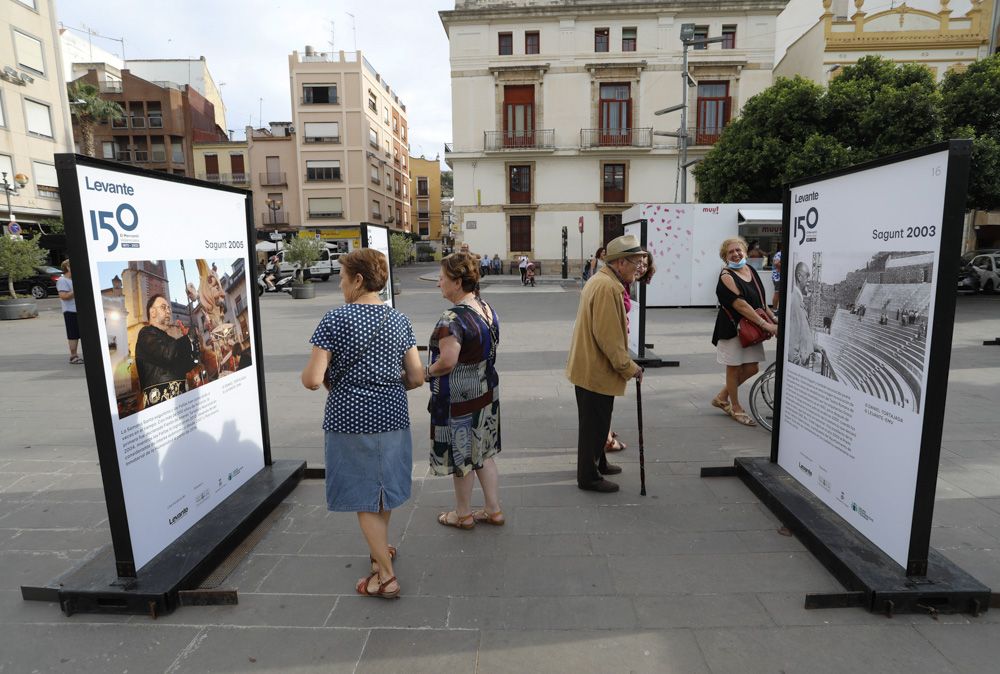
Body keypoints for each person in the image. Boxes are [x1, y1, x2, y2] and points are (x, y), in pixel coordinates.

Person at [301, 248, 424, 600]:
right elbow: (416, 377)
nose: (339, 284)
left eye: (342, 277)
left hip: (349, 419)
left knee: (363, 495)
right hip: (393, 415)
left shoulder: (335, 320)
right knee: (382, 488)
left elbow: (312, 379)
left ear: (357, 280)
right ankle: (378, 552)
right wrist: (385, 382)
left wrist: (322, 378)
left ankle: (385, 577)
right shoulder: (398, 320)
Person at [426, 252, 503, 529]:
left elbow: (447, 361)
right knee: (484, 452)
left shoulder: (452, 318)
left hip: (460, 399)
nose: (439, 284)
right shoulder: (485, 307)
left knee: (463, 458)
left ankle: (463, 514)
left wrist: (425, 373)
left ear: (457, 282)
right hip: (486, 392)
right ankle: (493, 510)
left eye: (442, 278)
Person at [566, 234, 646, 493]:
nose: (639, 268)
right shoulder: (607, 287)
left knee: (599, 422)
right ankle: (588, 476)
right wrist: (630, 367)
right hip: (595, 369)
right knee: (593, 426)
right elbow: (609, 338)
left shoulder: (605, 281)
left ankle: (599, 463)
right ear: (620, 263)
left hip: (591, 366)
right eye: (636, 262)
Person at [710, 237, 778, 427]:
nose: (736, 254)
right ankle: (736, 408)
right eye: (730, 252)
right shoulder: (727, 276)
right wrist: (766, 326)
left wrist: (773, 318)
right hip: (733, 329)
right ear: (725, 257)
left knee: (752, 368)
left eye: (738, 250)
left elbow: (761, 302)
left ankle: (722, 397)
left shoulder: (751, 270)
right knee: (733, 368)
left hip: (751, 329)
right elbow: (741, 305)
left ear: (745, 252)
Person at [135, 294, 201, 409]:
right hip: (160, 406)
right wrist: (188, 339)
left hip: (181, 403)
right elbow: (166, 355)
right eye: (163, 307)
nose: (168, 311)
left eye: (169, 308)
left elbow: (187, 365)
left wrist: (194, 350)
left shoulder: (171, 340)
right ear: (153, 312)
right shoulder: (145, 333)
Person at [788, 262, 817, 368]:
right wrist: (798, 366)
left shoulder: (797, 298)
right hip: (799, 364)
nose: (809, 281)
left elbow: (802, 333)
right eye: (807, 276)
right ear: (799, 276)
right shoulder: (795, 301)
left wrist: (814, 346)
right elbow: (792, 342)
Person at [56, 260, 82, 365]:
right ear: (67, 267)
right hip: (70, 311)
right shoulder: (63, 280)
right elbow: (64, 296)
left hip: (80, 311)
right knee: (73, 335)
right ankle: (73, 356)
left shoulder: (74, 279)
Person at [771, 245, 782, 311]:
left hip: (778, 277)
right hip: (777, 277)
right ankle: (774, 309)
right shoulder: (779, 254)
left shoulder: (779, 254)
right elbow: (776, 263)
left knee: (779, 293)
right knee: (777, 293)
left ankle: (777, 309)